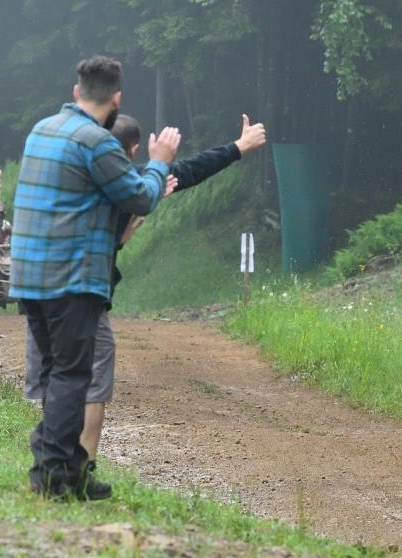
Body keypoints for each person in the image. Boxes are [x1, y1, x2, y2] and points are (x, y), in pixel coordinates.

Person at [22, 112, 266, 475]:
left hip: (37, 286)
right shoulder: (128, 182)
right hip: (81, 292)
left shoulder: (66, 176)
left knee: (54, 375)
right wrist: (237, 148)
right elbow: (188, 170)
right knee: (90, 377)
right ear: (133, 149)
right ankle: (79, 466)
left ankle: (54, 461)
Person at [11, 56, 180, 501]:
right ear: (116, 99)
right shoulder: (97, 142)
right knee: (71, 375)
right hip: (71, 276)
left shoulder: (41, 130)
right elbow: (141, 198)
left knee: (56, 372)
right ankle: (52, 474)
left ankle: (68, 468)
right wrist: (159, 162)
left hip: (29, 273)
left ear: (76, 91)